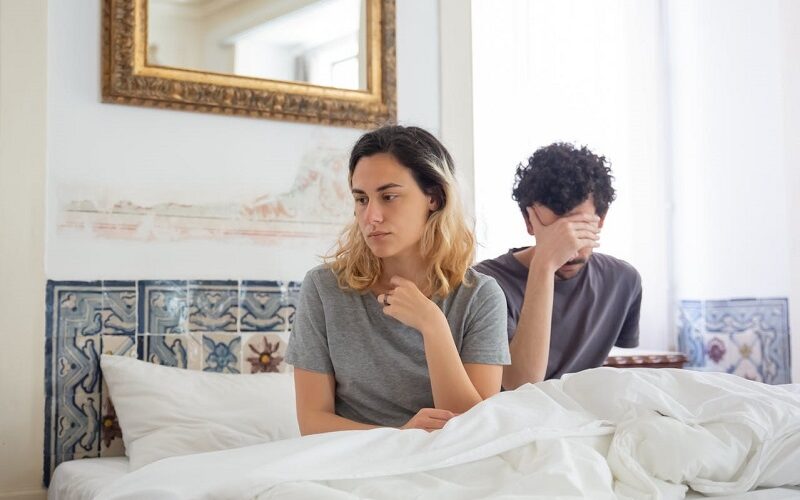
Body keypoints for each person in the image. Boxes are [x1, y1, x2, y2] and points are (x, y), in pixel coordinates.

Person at [286, 125, 510, 435]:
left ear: (434, 197)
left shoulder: (480, 296)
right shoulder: (324, 289)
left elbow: (475, 429)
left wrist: (433, 325)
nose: (371, 217)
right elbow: (312, 422)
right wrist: (400, 437)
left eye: (389, 197)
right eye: (362, 199)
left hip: (450, 462)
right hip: (355, 462)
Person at [474, 142, 641, 389]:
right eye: (556, 233)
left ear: (601, 220)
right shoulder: (484, 283)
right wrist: (544, 265)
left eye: (578, 229)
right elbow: (520, 383)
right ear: (529, 222)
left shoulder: (623, 280)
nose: (569, 250)